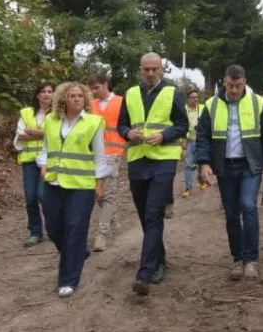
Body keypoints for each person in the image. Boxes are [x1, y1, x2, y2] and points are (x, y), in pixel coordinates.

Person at [196, 65, 263, 282]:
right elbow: (202, 136)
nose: (234, 90)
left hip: (250, 165)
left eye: (238, 86)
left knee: (248, 207)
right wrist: (204, 163)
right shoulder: (211, 105)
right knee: (232, 214)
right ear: (224, 82)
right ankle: (237, 258)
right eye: (231, 86)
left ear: (244, 82)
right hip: (224, 166)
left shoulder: (257, 103)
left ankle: (251, 260)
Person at [117, 53, 188, 296]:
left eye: (154, 69)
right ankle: (159, 260)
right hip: (138, 161)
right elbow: (121, 124)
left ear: (162, 69)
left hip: (163, 161)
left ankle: (145, 273)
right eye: (146, 69)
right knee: (145, 216)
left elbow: (182, 124)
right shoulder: (131, 94)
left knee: (153, 213)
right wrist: (128, 134)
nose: (150, 73)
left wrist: (164, 136)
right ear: (140, 69)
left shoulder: (173, 93)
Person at [37, 82, 110, 297]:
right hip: (54, 182)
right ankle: (79, 252)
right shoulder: (51, 120)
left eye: (80, 96)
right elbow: (45, 148)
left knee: (74, 230)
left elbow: (99, 157)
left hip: (82, 186)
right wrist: (42, 165)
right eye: (72, 96)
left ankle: (68, 280)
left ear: (85, 100)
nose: (77, 99)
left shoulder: (94, 123)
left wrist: (100, 184)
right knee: (53, 228)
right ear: (64, 99)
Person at [88, 73, 126, 252]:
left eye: (97, 87)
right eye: (92, 89)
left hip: (114, 153)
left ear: (106, 84)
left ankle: (102, 234)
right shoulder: (91, 105)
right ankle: (112, 220)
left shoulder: (121, 102)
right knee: (98, 193)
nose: (95, 92)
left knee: (107, 193)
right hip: (94, 155)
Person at [14, 81, 54, 247]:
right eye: (43, 91)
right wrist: (43, 134)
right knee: (30, 198)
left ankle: (53, 228)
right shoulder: (26, 112)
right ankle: (35, 232)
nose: (46, 94)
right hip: (30, 161)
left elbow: (58, 134)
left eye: (50, 91)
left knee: (43, 196)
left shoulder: (59, 113)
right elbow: (20, 135)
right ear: (37, 94)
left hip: (49, 160)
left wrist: (34, 132)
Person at [182, 88, 207, 198]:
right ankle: (188, 188)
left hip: (201, 140)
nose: (195, 99)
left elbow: (207, 122)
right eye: (193, 97)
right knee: (189, 165)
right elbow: (181, 126)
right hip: (189, 141)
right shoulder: (184, 110)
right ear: (188, 99)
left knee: (201, 163)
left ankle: (201, 180)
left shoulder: (202, 108)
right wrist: (183, 146)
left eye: (197, 97)